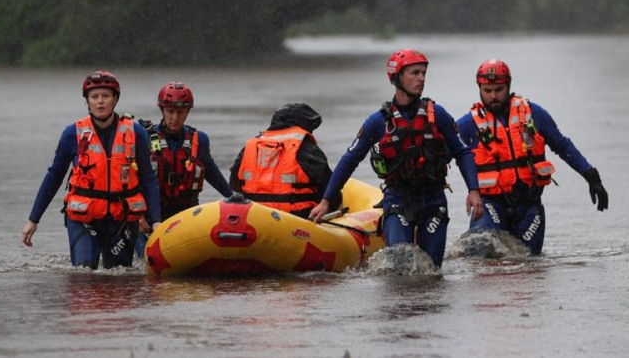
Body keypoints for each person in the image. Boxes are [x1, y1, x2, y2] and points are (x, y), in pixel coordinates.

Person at [309, 49, 483, 268]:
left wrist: (473, 190)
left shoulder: (437, 115)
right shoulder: (378, 122)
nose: (421, 78)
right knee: (398, 265)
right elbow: (350, 160)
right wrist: (326, 201)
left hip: (433, 200)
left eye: (423, 73)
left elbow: (462, 152)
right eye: (415, 73)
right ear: (397, 77)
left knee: (431, 270)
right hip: (398, 199)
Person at [456, 59, 608, 254]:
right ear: (479, 89)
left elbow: (563, 146)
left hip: (528, 205)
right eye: (488, 90)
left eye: (499, 89)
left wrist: (591, 176)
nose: (494, 96)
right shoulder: (468, 125)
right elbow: (443, 156)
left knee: (528, 263)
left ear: (508, 86)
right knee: (481, 248)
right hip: (490, 203)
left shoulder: (533, 114)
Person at [21, 70, 161, 269]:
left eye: (106, 96)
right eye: (94, 97)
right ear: (87, 102)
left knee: (119, 277)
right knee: (84, 271)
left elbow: (148, 178)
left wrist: (155, 221)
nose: (100, 102)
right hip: (83, 217)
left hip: (121, 218)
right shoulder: (73, 133)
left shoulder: (135, 132)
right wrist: (33, 220)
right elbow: (54, 176)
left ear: (115, 100)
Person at [229, 103, 341, 219]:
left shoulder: (250, 146)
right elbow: (330, 190)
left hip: (253, 216)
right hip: (297, 218)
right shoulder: (305, 148)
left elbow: (234, 184)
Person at [146, 81, 233, 220]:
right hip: (154, 214)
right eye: (170, 112)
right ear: (162, 110)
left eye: (180, 112)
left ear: (187, 112)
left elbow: (212, 174)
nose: (175, 118)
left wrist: (232, 197)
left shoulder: (199, 140)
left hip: (188, 213)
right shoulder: (145, 137)